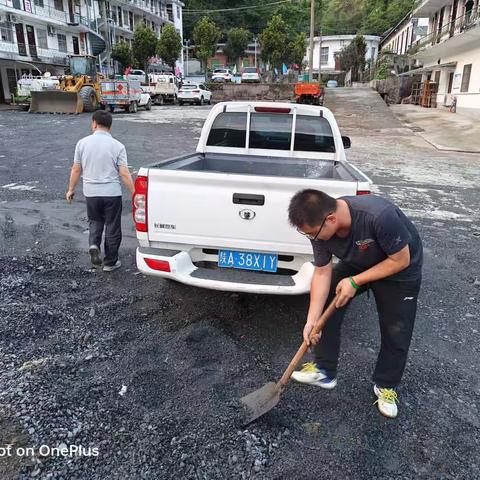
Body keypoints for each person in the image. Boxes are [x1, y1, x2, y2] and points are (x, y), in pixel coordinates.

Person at [288, 190, 423, 418]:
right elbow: (322, 271)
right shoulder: (321, 229)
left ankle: (386, 385)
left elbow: (401, 260)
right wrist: (312, 320)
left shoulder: (379, 216)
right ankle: (324, 369)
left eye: (313, 234)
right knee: (330, 295)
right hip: (359, 262)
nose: (314, 239)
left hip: (399, 269)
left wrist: (355, 281)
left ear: (331, 219)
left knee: (397, 328)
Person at [66, 111, 134, 271]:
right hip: (112, 193)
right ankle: (110, 263)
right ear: (110, 127)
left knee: (95, 222)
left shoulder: (82, 143)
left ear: (94, 124)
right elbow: (124, 173)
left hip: (91, 193)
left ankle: (94, 244)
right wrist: (134, 192)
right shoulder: (118, 146)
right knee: (112, 226)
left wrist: (70, 190)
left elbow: (76, 169)